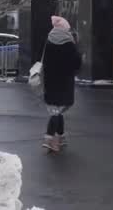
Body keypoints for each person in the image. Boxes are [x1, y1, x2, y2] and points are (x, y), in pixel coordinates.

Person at [42, 16, 81, 152]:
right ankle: (49, 139)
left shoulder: (49, 41)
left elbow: (44, 61)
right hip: (65, 82)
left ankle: (61, 138)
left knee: (56, 110)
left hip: (50, 81)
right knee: (57, 111)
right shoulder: (69, 43)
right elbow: (76, 63)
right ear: (65, 29)